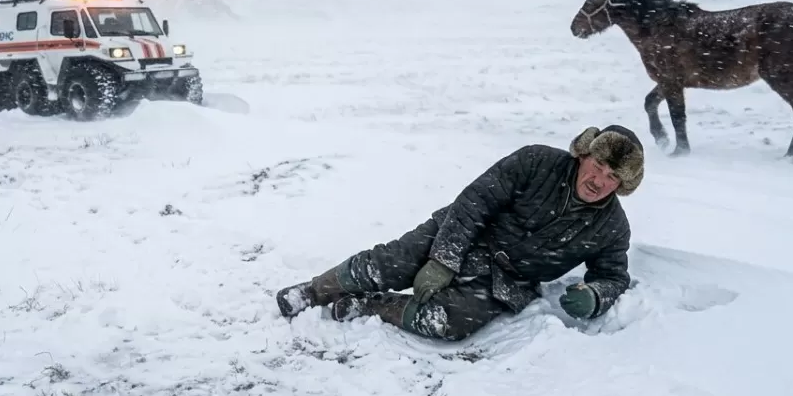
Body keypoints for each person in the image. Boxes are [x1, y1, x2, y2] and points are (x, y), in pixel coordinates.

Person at [274, 125, 644, 342]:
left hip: (507, 281)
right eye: (597, 166)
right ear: (583, 155)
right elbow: (475, 202)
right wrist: (443, 259)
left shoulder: (611, 226)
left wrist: (596, 295)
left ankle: (370, 305)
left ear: (622, 186)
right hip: (464, 233)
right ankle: (313, 291)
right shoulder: (537, 161)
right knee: (392, 262)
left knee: (447, 322)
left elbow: (613, 275)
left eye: (613, 177)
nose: (599, 181)